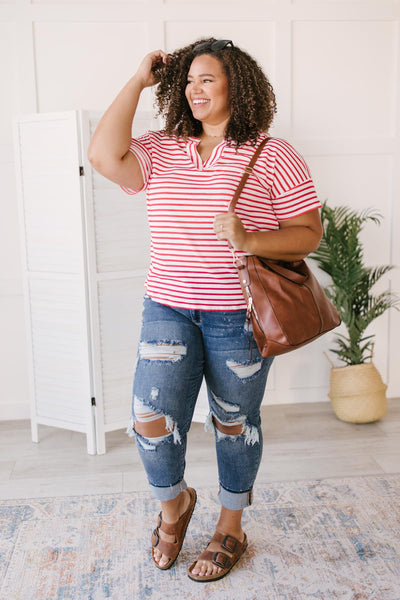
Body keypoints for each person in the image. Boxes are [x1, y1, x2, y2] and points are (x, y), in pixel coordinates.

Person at [88, 38, 322, 582]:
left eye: (207, 79)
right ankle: (175, 508)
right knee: (151, 421)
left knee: (234, 423)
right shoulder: (163, 147)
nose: (195, 89)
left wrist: (252, 237)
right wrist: (137, 81)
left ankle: (231, 527)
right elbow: (102, 157)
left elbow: (309, 233)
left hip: (237, 317)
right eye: (188, 80)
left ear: (236, 86)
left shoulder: (273, 153)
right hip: (167, 308)